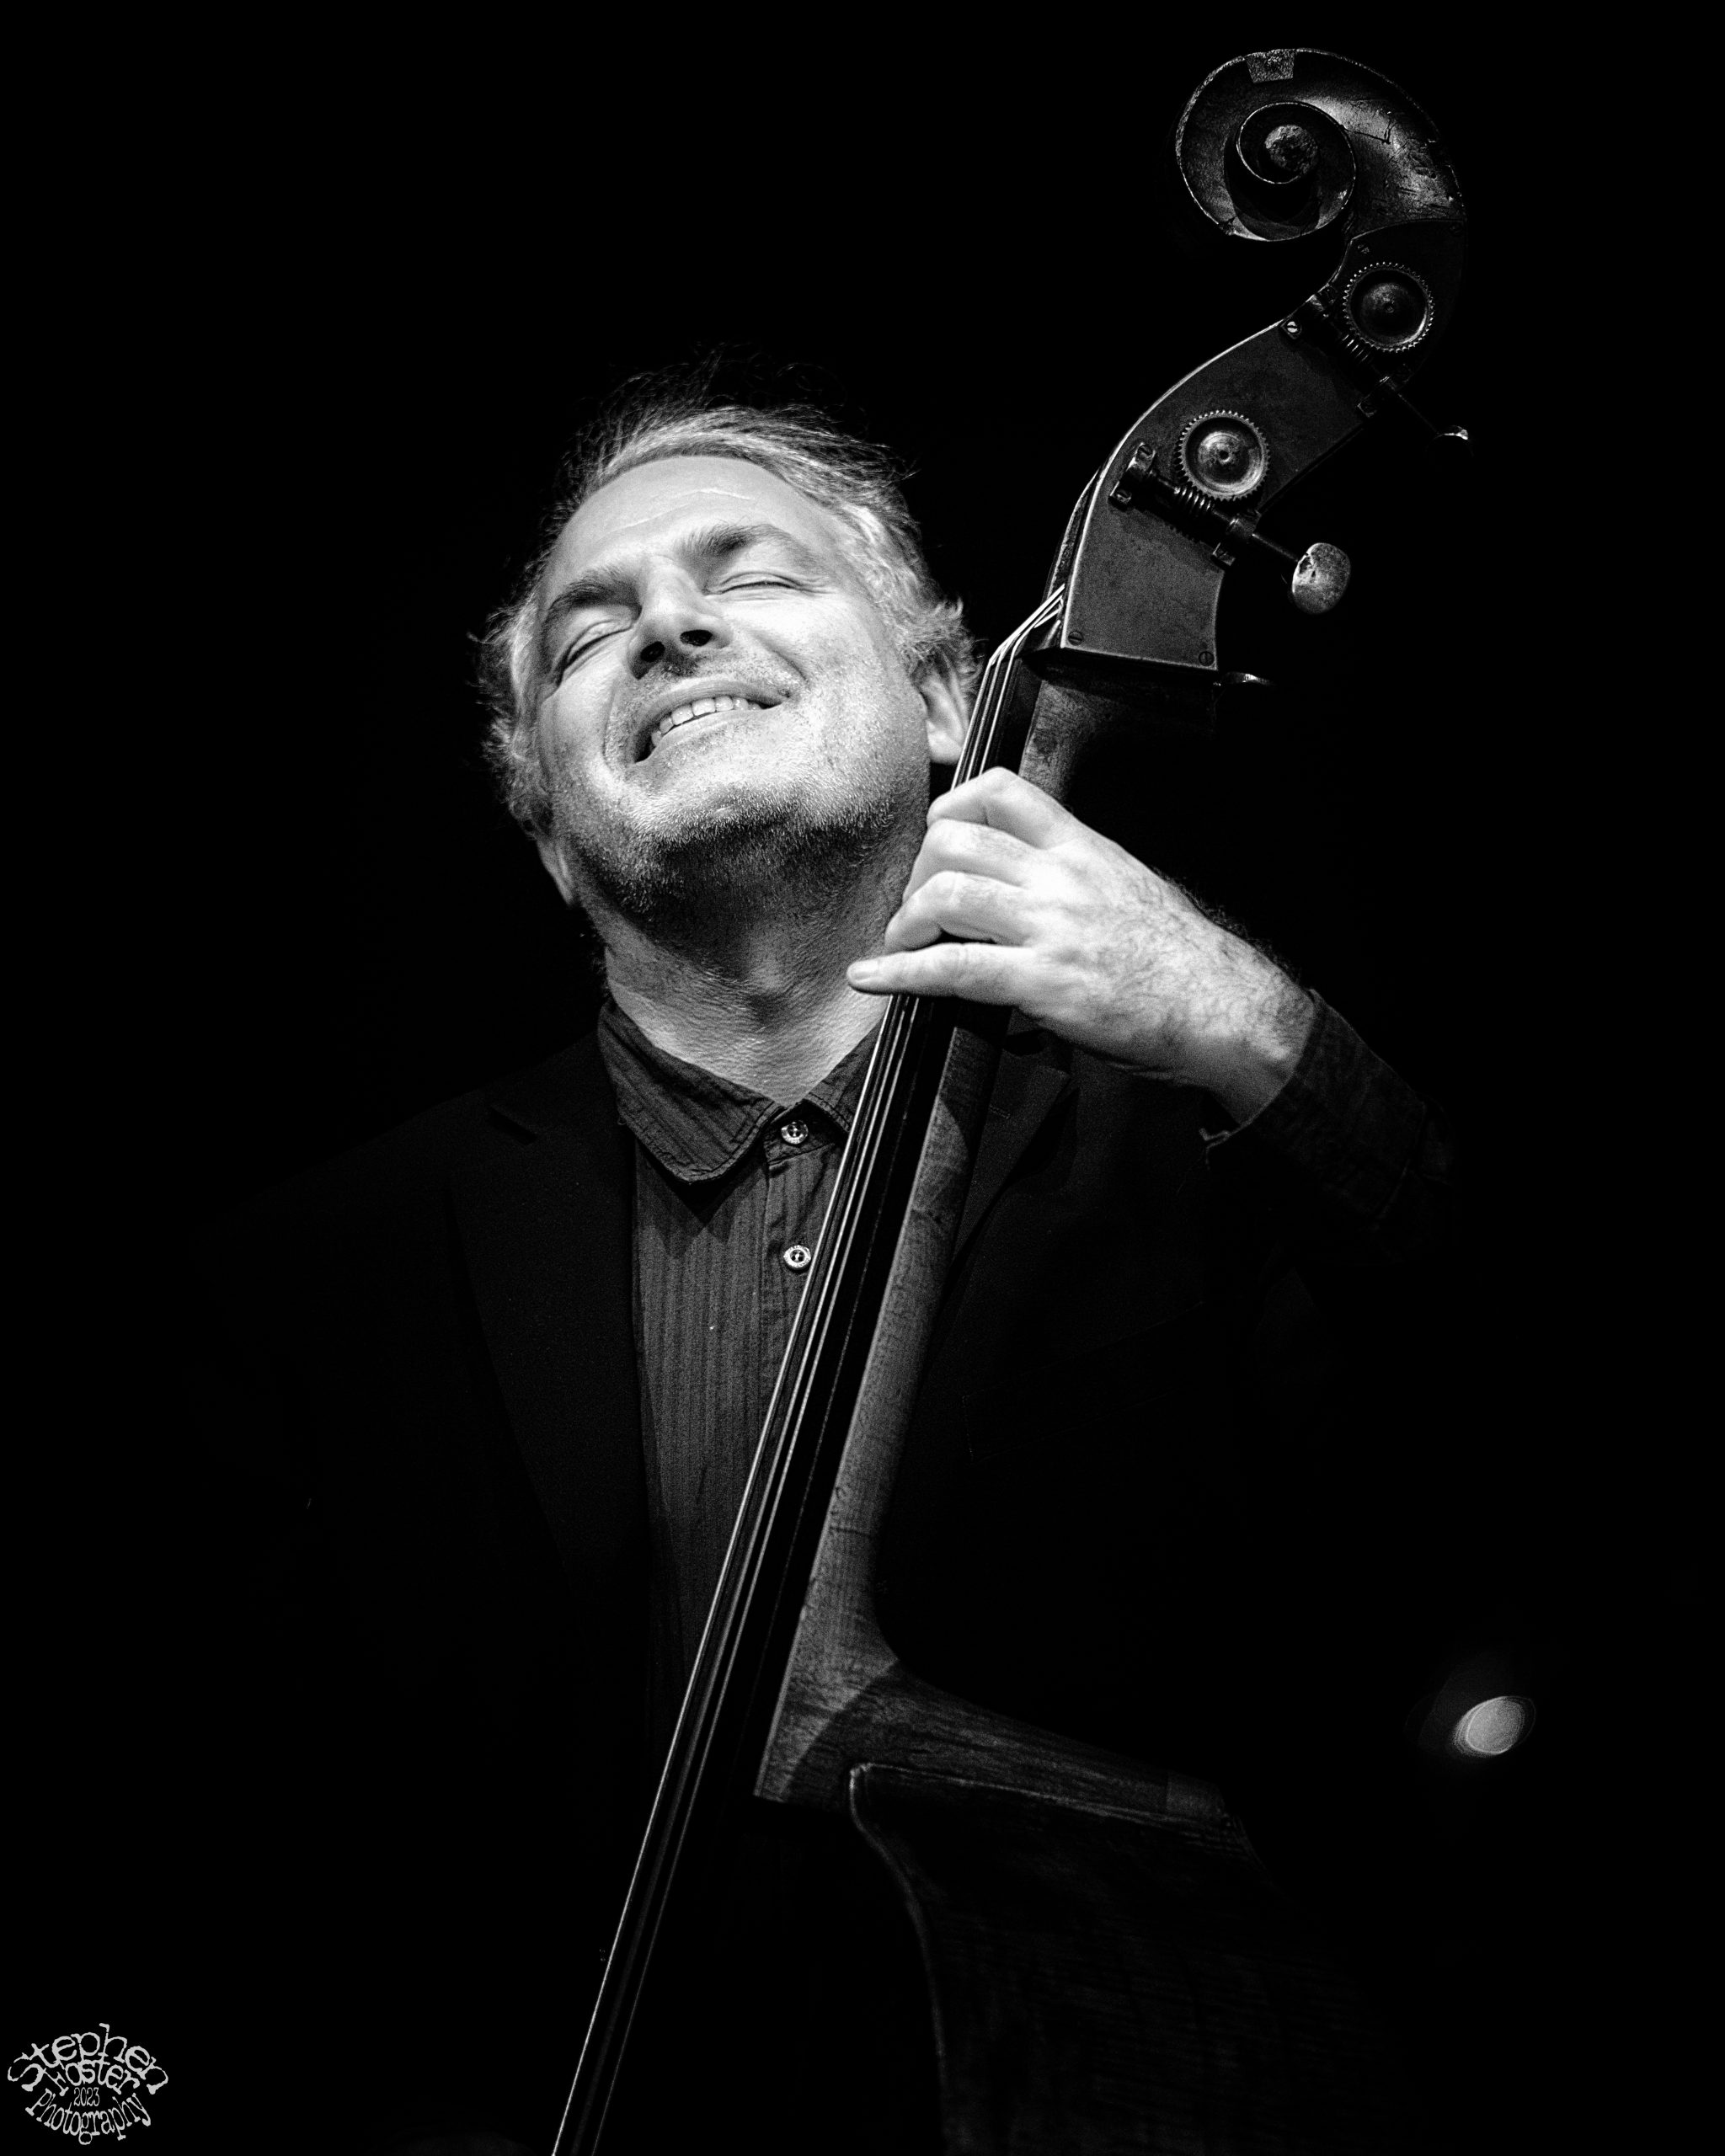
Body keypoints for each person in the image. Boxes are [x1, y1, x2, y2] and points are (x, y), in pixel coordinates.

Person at [192, 395, 1453, 2155]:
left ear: (944, 698)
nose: (667, 624)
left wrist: (1260, 1037)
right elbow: (150, 1932)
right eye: (589, 629)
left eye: (750, 575)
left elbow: (1569, 1481)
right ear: (545, 825)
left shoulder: (1213, 1144)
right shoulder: (314, 1283)